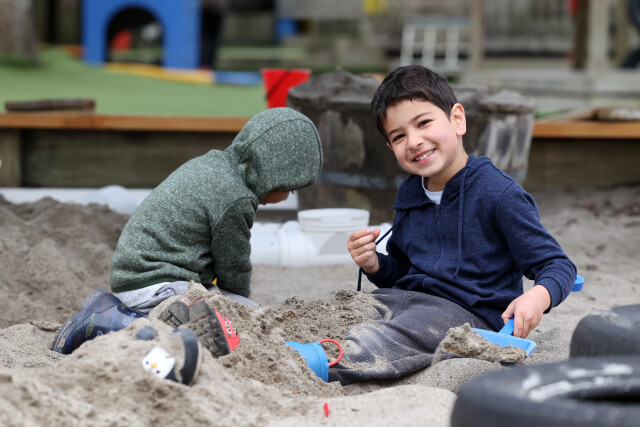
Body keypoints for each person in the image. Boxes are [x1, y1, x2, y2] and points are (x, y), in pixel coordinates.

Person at [330, 65, 576, 385]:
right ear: (391, 148)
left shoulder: (499, 194)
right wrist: (374, 264)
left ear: (457, 119)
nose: (414, 141)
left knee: (399, 334)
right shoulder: (410, 191)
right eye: (399, 136)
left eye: (423, 123)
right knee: (347, 311)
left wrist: (538, 297)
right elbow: (402, 273)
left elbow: (558, 265)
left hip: (469, 317)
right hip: (408, 302)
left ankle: (326, 362)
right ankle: (297, 350)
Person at [51, 107, 323, 355]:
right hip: (156, 283)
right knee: (241, 319)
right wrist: (243, 297)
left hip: (136, 275)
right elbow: (233, 265)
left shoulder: (213, 163)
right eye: (291, 188)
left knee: (223, 309)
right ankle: (115, 322)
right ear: (274, 174)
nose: (287, 197)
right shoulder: (237, 198)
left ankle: (139, 317)